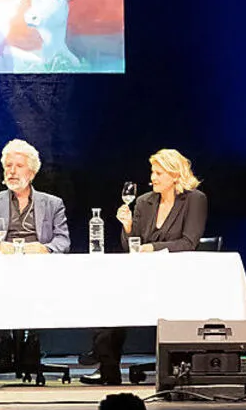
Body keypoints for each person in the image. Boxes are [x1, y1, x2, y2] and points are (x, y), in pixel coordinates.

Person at [80, 149, 207, 385]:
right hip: (143, 275)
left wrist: (153, 249)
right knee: (106, 295)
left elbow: (189, 242)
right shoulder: (144, 202)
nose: (153, 178)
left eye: (158, 173)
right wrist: (128, 226)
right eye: (152, 172)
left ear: (175, 174)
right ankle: (108, 368)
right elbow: (131, 246)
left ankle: (179, 367)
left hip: (177, 277)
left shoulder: (194, 199)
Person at [0, 139, 70, 255]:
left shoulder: (53, 204)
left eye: (19, 166)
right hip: (2, 264)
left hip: (40, 264)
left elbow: (63, 241)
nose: (12, 171)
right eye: (8, 165)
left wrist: (45, 249)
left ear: (32, 173)